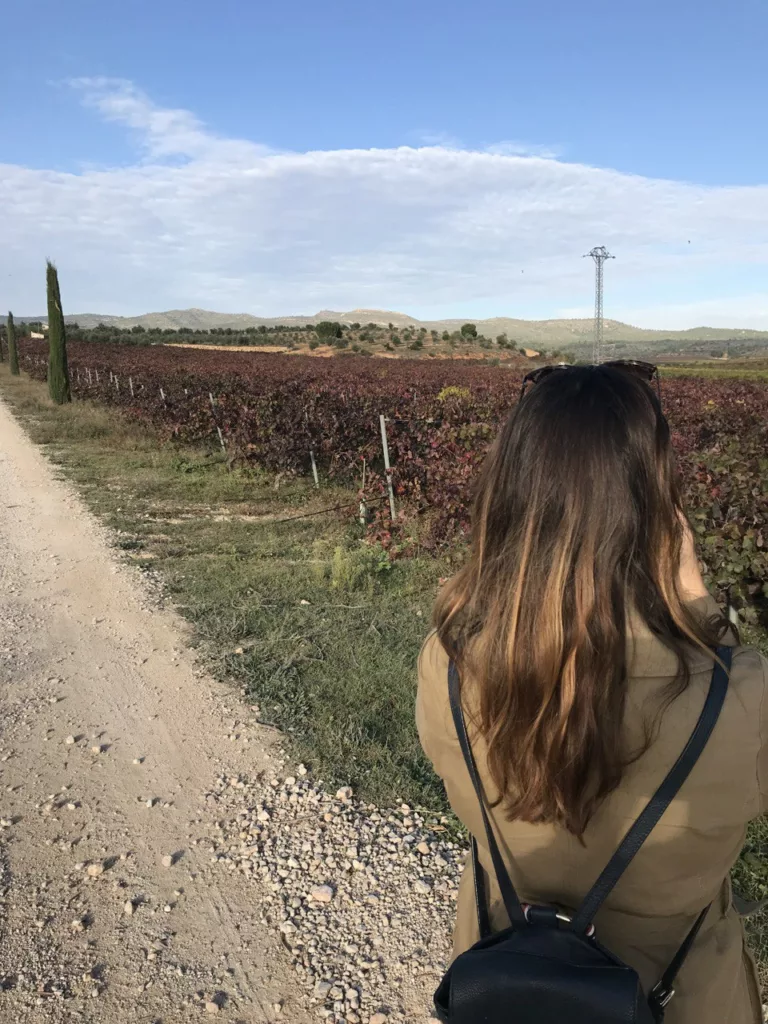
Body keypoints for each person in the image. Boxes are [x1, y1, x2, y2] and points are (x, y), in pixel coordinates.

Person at [416, 363, 768, 1024]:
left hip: (503, 991)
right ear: (660, 515)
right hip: (678, 1002)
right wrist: (701, 612)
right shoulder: (739, 698)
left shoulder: (448, 664)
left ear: (511, 499)